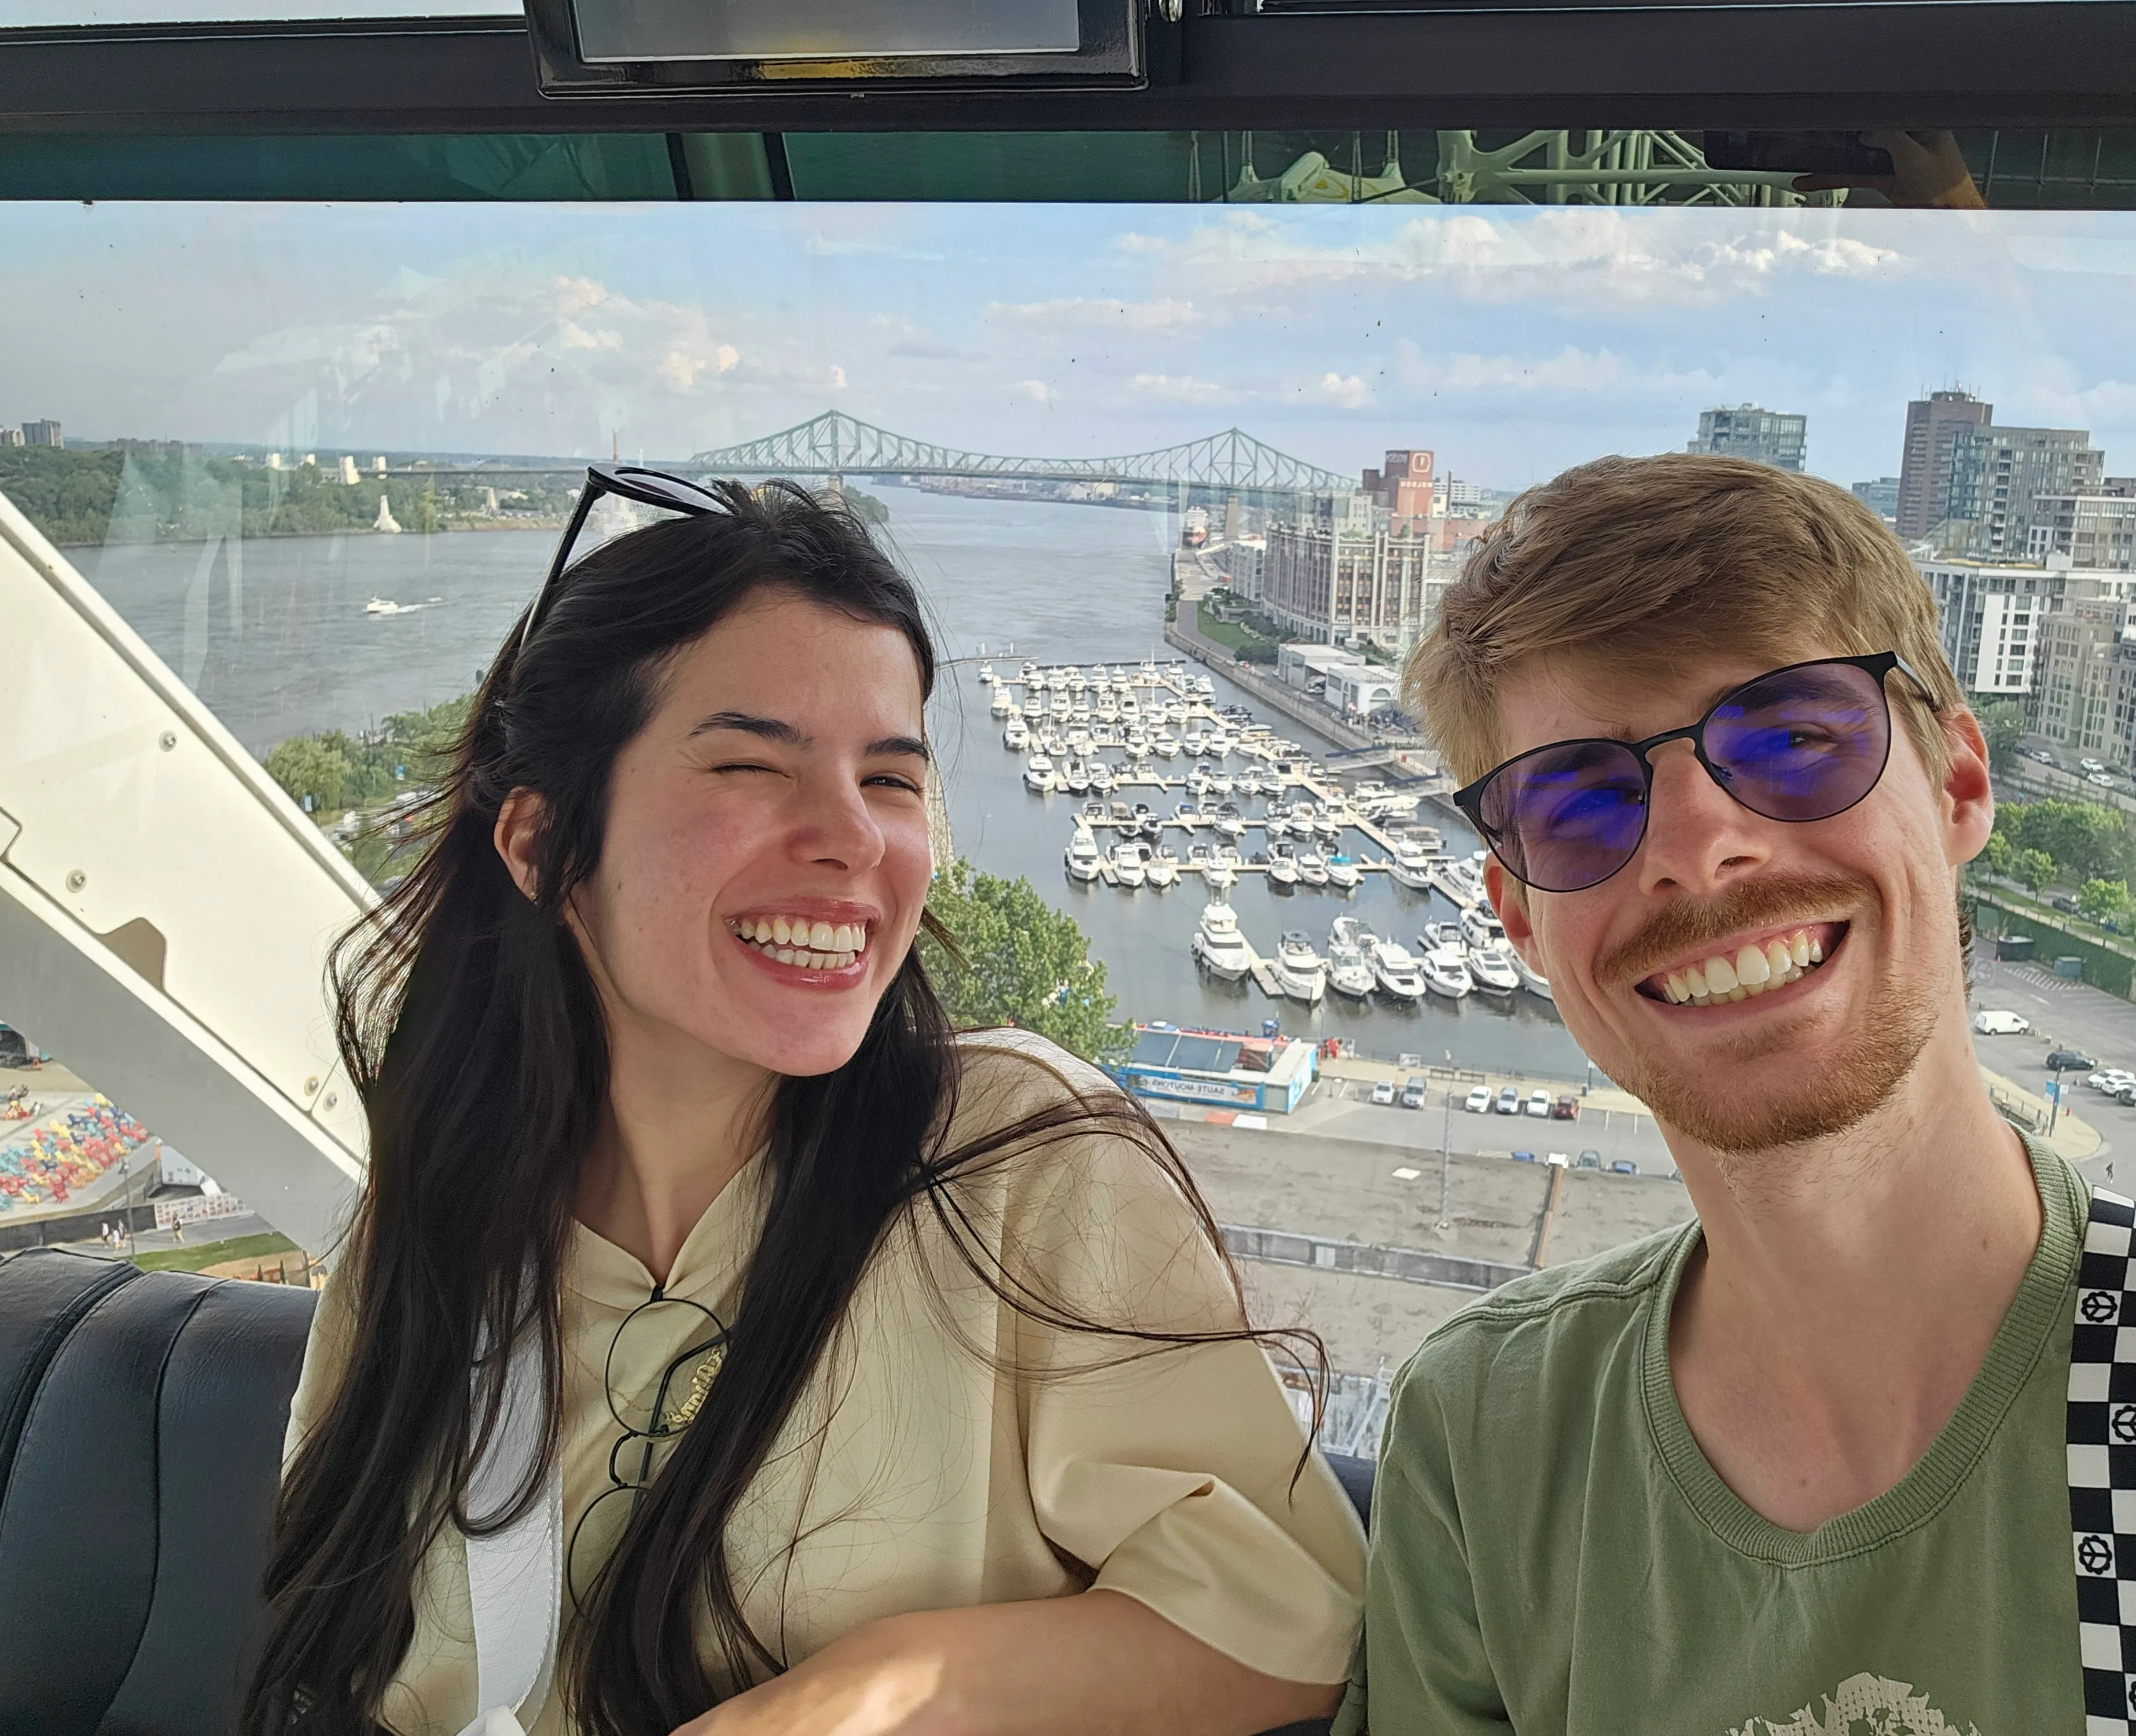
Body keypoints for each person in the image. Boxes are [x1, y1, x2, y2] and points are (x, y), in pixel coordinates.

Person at [249, 474, 1363, 1736]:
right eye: (748, 763)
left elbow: (1287, 1622)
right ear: (540, 843)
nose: (850, 839)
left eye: (890, 780)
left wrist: (876, 1689)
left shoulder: (1018, 1162)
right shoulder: (439, 1210)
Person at [1344, 455, 2136, 1734]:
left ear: (1958, 785)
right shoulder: (1483, 1439)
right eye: (1580, 803)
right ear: (1520, 919)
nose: (1698, 851)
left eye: (1794, 741)